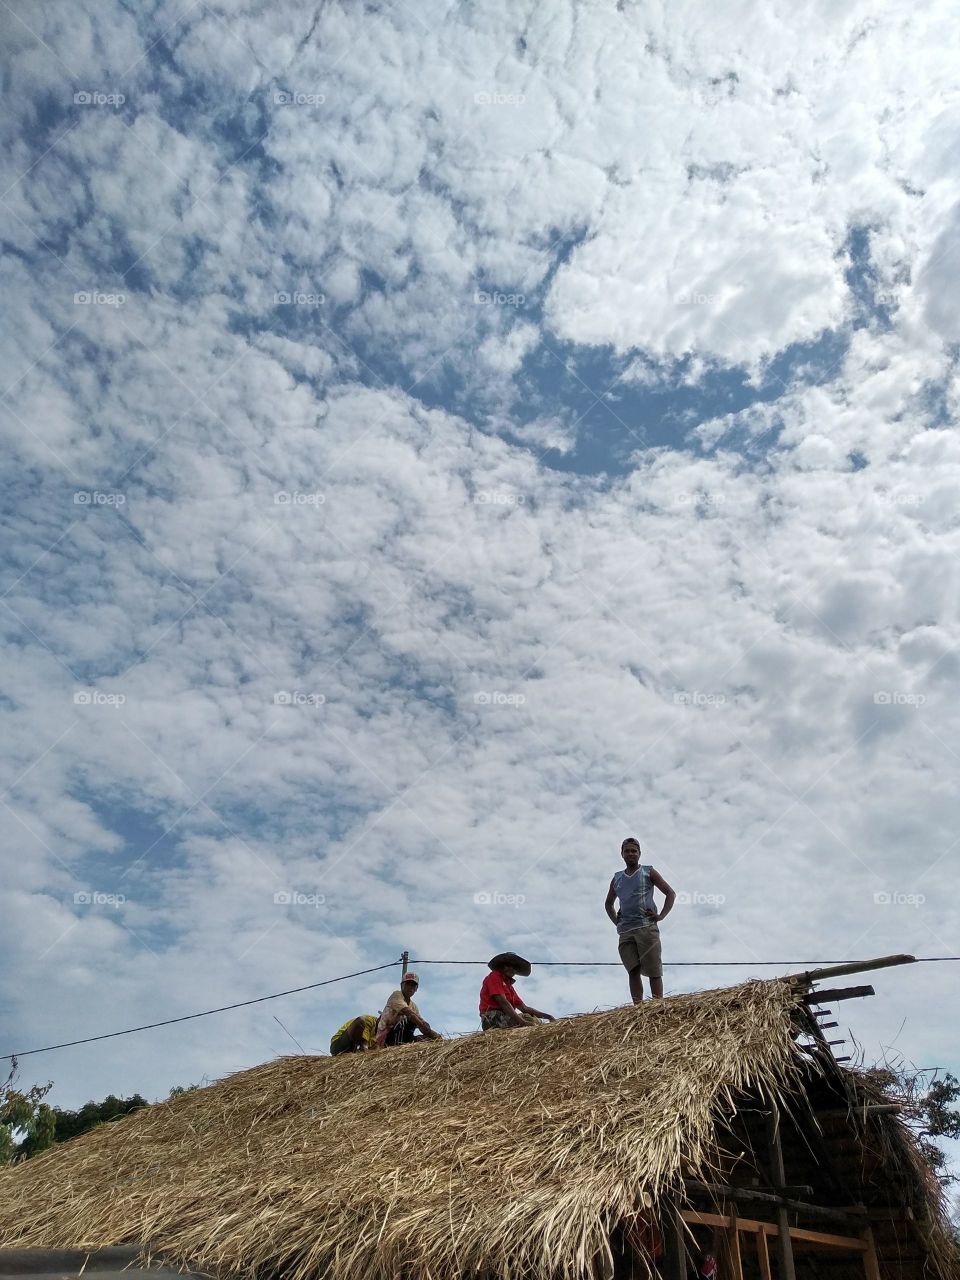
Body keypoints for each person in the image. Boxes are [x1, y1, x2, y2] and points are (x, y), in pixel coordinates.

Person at [604, 836, 676, 1003]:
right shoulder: (617, 879)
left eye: (634, 851)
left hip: (646, 928)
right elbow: (608, 903)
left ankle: (658, 1005)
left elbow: (670, 893)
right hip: (626, 931)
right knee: (633, 970)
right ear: (622, 854)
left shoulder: (648, 872)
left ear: (639, 854)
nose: (631, 854)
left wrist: (661, 916)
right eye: (627, 851)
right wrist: (617, 921)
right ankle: (638, 1008)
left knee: (654, 970)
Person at [479, 952, 554, 1030]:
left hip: (505, 1017)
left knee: (532, 1017)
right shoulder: (494, 976)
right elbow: (502, 1002)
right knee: (528, 1019)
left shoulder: (510, 988)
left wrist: (548, 1017)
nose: (511, 968)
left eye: (514, 967)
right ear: (502, 967)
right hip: (492, 1018)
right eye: (508, 965)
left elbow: (524, 1008)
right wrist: (522, 1022)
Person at [375, 971, 442, 1047]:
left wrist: (433, 1036)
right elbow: (410, 1014)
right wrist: (430, 1031)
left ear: (416, 989)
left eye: (413, 985)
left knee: (426, 1039)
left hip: (404, 1037)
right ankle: (398, 1046)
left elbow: (422, 1023)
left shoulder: (414, 1006)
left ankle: (407, 1044)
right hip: (387, 1037)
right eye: (407, 984)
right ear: (401, 985)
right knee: (409, 1019)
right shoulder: (396, 995)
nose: (410, 987)